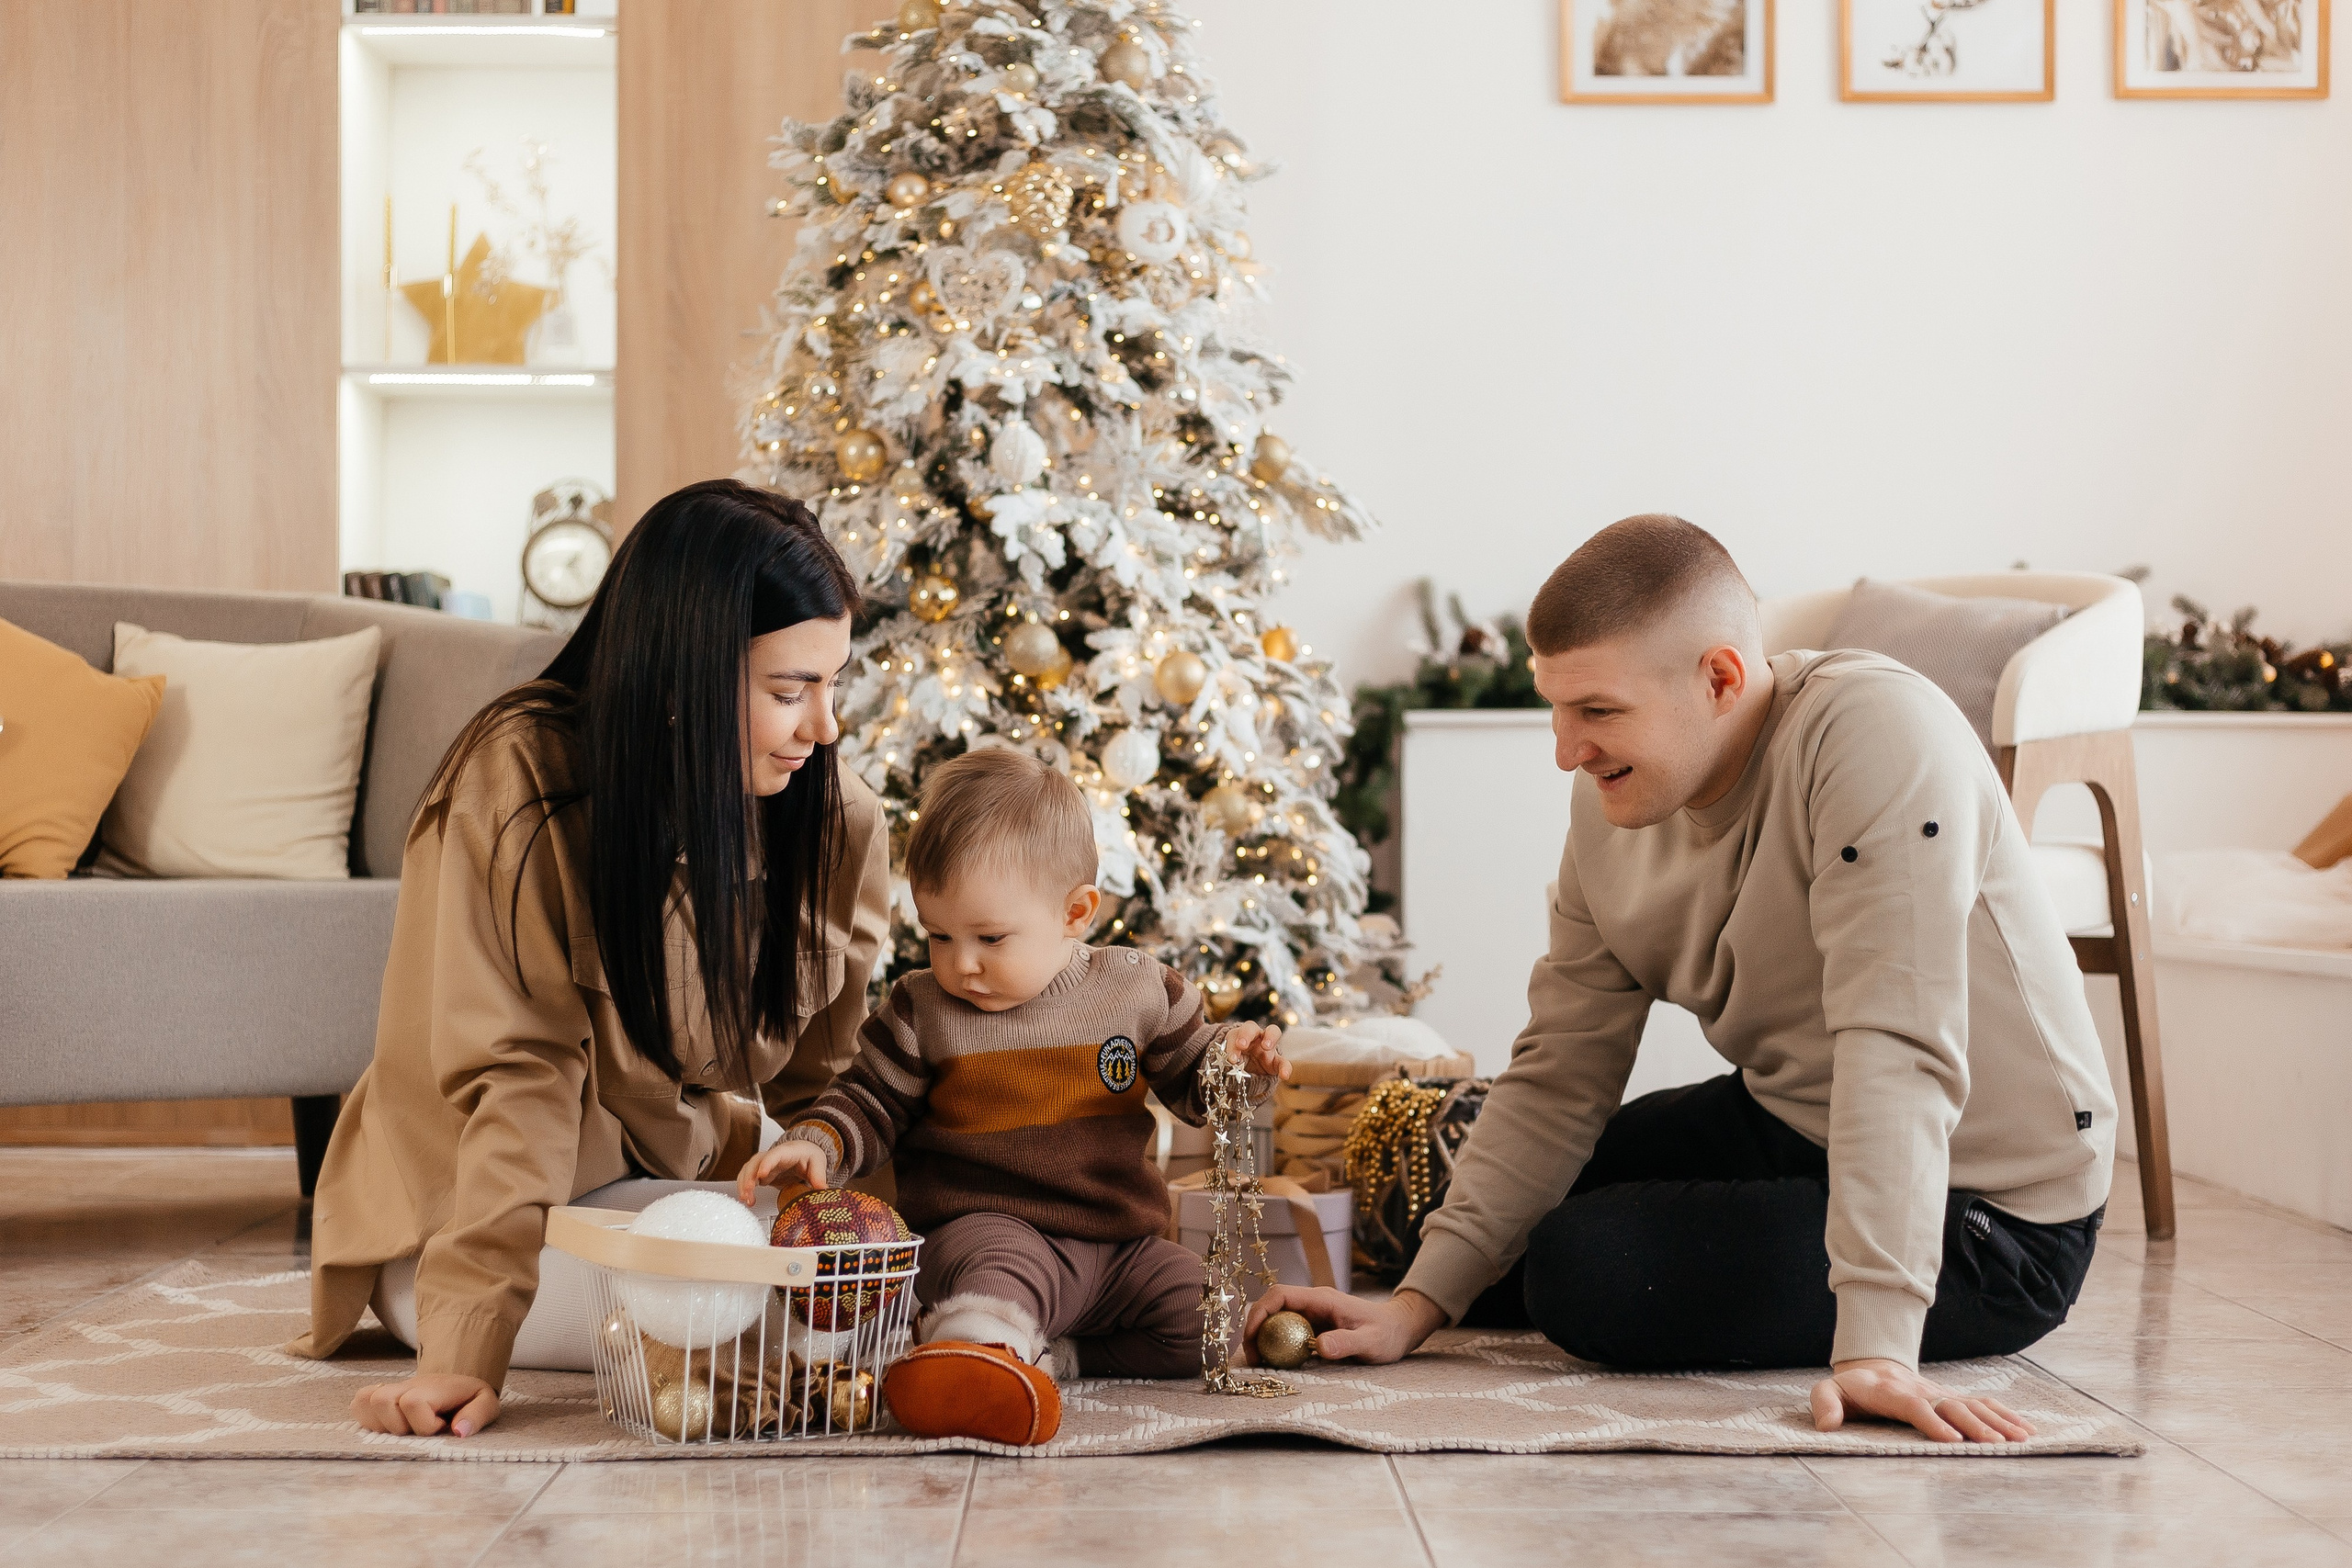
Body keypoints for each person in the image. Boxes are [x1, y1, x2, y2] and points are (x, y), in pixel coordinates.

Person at [1249, 514, 2116, 1445]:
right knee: (1478, 1202)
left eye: (1598, 711)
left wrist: (1876, 1346)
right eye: (1557, 708)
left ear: (1719, 679)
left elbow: (1893, 1048)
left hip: (1992, 1210)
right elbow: (1559, 1072)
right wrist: (1416, 1306)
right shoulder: (1613, 805)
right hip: (1797, 1120)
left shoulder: (1875, 736)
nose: (1565, 750)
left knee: (1586, 1273)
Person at [289, 479, 892, 1440]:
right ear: (681, 678)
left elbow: (838, 1085)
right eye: (790, 691)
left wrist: (877, 1232)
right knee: (739, 1292)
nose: (825, 729)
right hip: (468, 1215)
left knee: (874, 1282)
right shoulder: (522, 786)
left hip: (665, 1193)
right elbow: (518, 1081)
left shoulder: (830, 811)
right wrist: (462, 1351)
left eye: (833, 684)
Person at [741, 748, 1289, 1425]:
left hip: (1119, 1247)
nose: (960, 963)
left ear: (1076, 912)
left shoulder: (1140, 988)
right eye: (938, 935)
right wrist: (818, 1139)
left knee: (1215, 1323)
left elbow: (1196, 1084)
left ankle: (1057, 1353)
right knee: (992, 1283)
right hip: (988, 1226)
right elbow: (868, 1098)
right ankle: (972, 1357)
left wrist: (1239, 1063)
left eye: (990, 937)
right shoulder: (923, 1008)